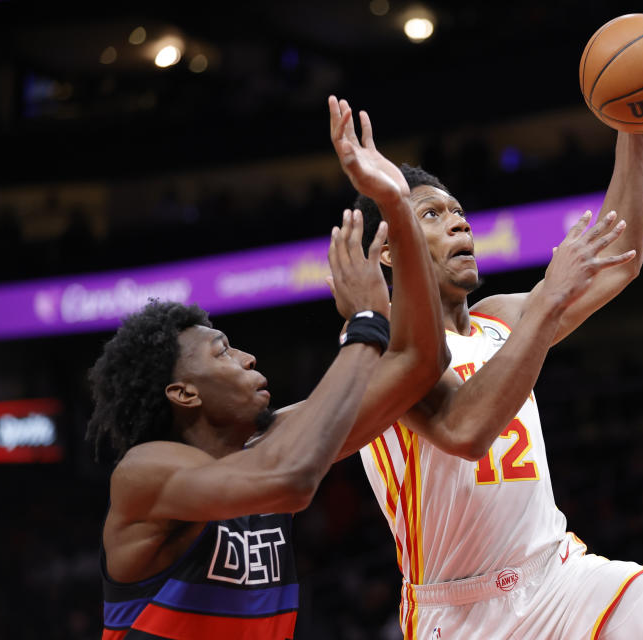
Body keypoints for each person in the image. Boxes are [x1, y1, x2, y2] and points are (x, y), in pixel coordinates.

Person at [352, 127, 643, 638]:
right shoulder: (383, 344)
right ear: (390, 250)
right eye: (433, 215)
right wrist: (547, 302)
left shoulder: (500, 319)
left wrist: (634, 128)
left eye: (458, 213)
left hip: (559, 576)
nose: (457, 224)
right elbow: (467, 430)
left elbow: (621, 253)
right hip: (457, 613)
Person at [87, 96, 448, 640]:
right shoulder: (146, 472)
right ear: (183, 393)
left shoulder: (271, 443)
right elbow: (290, 478)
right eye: (223, 350)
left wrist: (398, 208)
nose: (248, 357)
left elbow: (420, 364)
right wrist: (365, 325)